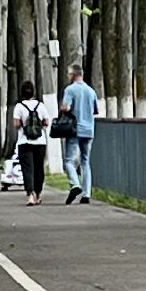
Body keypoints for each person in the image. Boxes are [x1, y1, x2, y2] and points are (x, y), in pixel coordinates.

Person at [60, 62, 98, 205]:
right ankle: (86, 194)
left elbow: (66, 107)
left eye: (69, 74)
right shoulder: (91, 91)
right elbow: (95, 110)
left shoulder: (70, 90)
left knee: (69, 160)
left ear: (73, 75)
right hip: (89, 130)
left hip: (74, 130)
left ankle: (75, 184)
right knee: (85, 161)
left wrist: (63, 108)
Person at [12, 80, 50, 205]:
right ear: (33, 91)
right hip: (40, 142)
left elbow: (16, 124)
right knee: (39, 168)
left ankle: (30, 195)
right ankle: (38, 194)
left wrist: (24, 125)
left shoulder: (19, 106)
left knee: (27, 169)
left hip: (24, 142)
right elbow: (46, 122)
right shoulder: (40, 105)